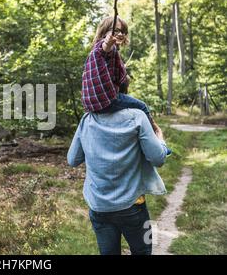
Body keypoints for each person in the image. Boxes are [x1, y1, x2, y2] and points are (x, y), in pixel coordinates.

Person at [67, 108, 169, 255]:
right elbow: (158, 159)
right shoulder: (137, 116)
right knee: (144, 251)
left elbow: (72, 160)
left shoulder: (87, 119)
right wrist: (160, 139)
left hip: (99, 207)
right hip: (133, 206)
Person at [81, 16, 171, 155]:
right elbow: (104, 48)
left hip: (94, 104)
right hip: (107, 101)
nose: (121, 34)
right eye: (116, 30)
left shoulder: (98, 53)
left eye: (123, 31)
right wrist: (108, 43)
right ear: (105, 32)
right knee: (142, 106)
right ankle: (155, 139)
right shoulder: (103, 49)